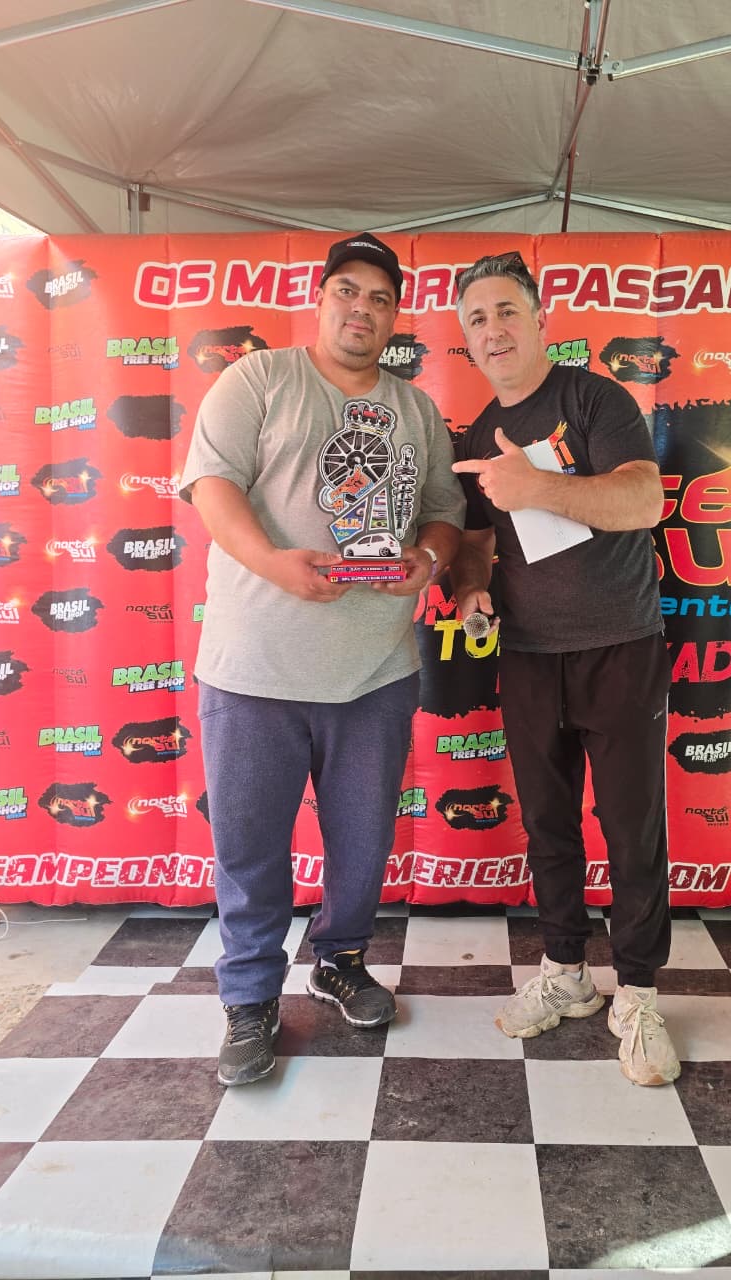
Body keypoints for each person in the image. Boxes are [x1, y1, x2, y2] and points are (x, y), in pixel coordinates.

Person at [180, 232, 465, 1086]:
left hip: (374, 671)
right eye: (348, 290)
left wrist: (430, 559)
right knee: (250, 846)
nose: (361, 309)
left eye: (380, 298)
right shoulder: (257, 380)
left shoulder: (416, 410)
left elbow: (444, 509)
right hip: (253, 668)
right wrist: (274, 564)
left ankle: (339, 960)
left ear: (395, 316)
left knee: (363, 843)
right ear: (320, 298)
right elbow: (212, 485)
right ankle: (248, 998)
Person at [450, 250, 679, 1087]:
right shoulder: (477, 433)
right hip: (528, 655)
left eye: (507, 310)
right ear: (467, 339)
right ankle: (567, 973)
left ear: (540, 319)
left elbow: (644, 500)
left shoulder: (592, 399)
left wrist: (535, 486)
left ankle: (639, 993)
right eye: (477, 319)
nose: (494, 329)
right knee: (548, 824)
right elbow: (477, 542)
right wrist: (470, 589)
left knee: (631, 826)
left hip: (619, 646)